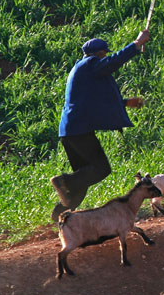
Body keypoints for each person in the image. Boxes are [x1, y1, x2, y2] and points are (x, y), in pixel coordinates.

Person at [50, 29, 151, 222]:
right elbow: (113, 62)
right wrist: (136, 44)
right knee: (101, 169)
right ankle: (63, 180)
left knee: (82, 182)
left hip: (70, 130)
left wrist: (125, 102)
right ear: (99, 53)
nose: (105, 56)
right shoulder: (90, 64)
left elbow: (96, 101)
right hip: (79, 130)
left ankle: (59, 218)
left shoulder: (81, 70)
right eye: (104, 53)